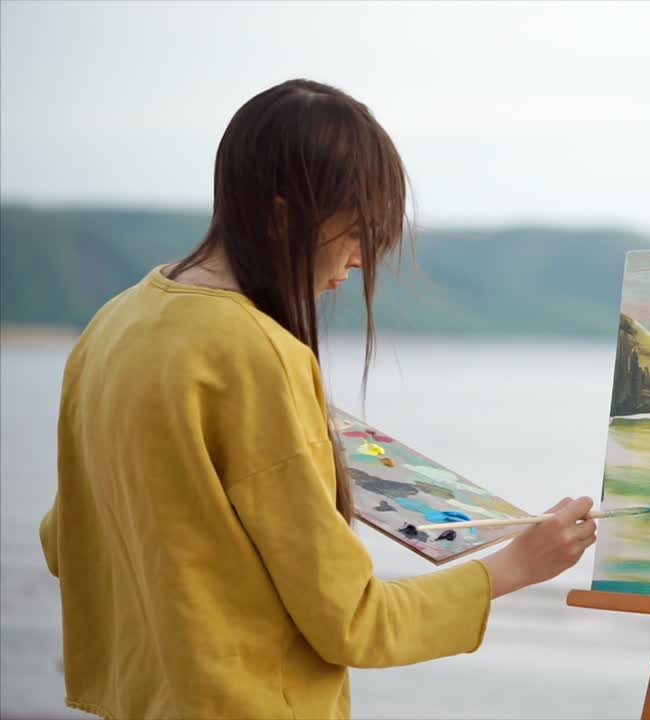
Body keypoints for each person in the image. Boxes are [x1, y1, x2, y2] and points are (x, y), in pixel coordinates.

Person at [37, 78, 597, 720]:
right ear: (281, 218)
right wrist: (517, 566)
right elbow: (352, 622)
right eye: (356, 232)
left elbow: (65, 542)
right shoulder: (257, 354)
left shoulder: (117, 321)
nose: (362, 259)